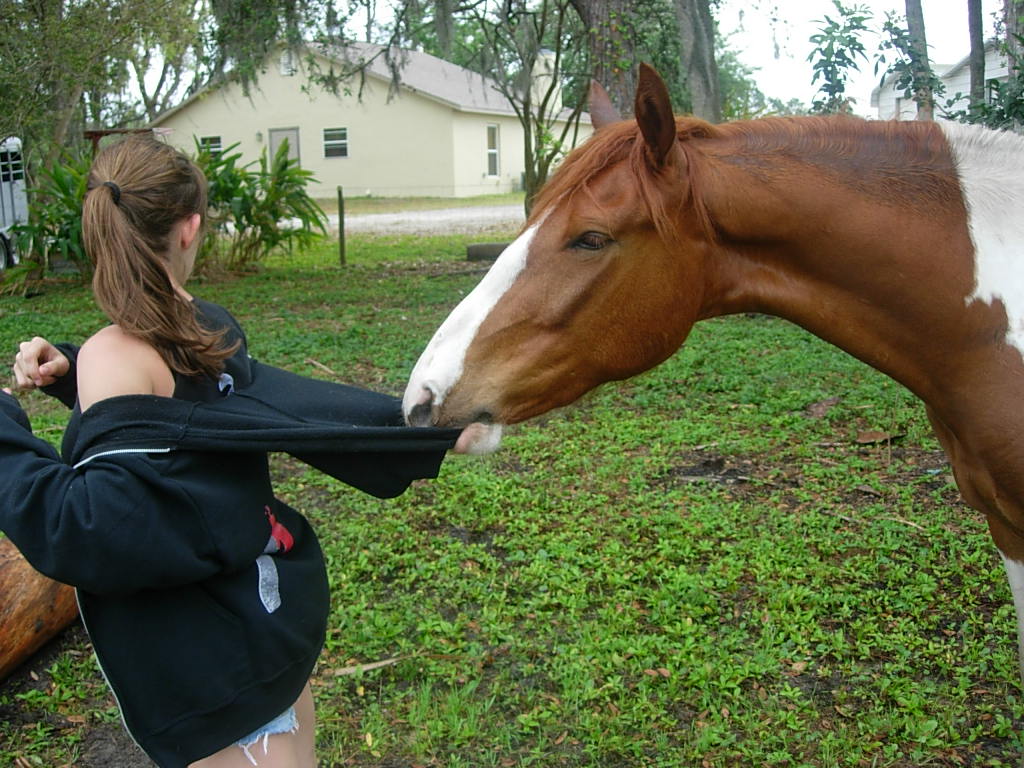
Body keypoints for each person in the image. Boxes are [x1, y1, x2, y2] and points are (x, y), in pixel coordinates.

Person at [1, 135, 476, 768]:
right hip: (266, 629)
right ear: (190, 228)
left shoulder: (120, 354)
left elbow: (85, 527)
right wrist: (76, 374)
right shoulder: (208, 325)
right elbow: (195, 412)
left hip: (209, 675)